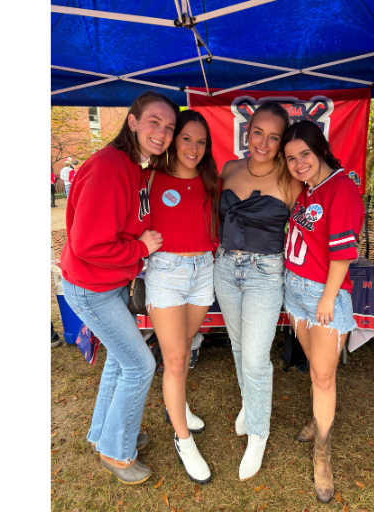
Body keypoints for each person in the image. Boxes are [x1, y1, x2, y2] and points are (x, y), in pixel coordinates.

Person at [58, 91, 177, 486]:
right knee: (140, 365)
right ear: (132, 121)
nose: (162, 132)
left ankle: (106, 434)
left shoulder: (132, 165)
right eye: (153, 122)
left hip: (106, 285)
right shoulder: (109, 168)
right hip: (91, 288)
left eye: (169, 126)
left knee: (120, 360)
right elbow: (89, 244)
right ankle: (116, 451)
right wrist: (141, 248)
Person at [213, 101, 302, 481]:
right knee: (237, 346)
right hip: (224, 267)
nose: (264, 143)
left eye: (274, 137)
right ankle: (250, 406)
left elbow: (307, 233)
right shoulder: (229, 169)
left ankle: (259, 434)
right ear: (247, 132)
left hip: (266, 273)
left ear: (283, 142)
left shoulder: (291, 180)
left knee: (255, 358)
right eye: (258, 133)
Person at [281, 121, 364, 503]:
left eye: (305, 154)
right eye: (291, 158)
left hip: (322, 296)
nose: (298, 163)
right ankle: (318, 420)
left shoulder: (341, 187)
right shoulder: (308, 189)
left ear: (321, 150)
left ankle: (322, 455)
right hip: (295, 292)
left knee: (323, 375)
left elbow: (344, 253)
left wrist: (329, 298)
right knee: (316, 367)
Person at [143, 109, 220, 484]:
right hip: (166, 274)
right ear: (173, 140)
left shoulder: (211, 182)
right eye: (186, 138)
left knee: (185, 346)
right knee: (174, 360)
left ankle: (180, 406)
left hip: (203, 270)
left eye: (201, 141)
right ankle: (183, 439)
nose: (193, 147)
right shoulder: (150, 177)